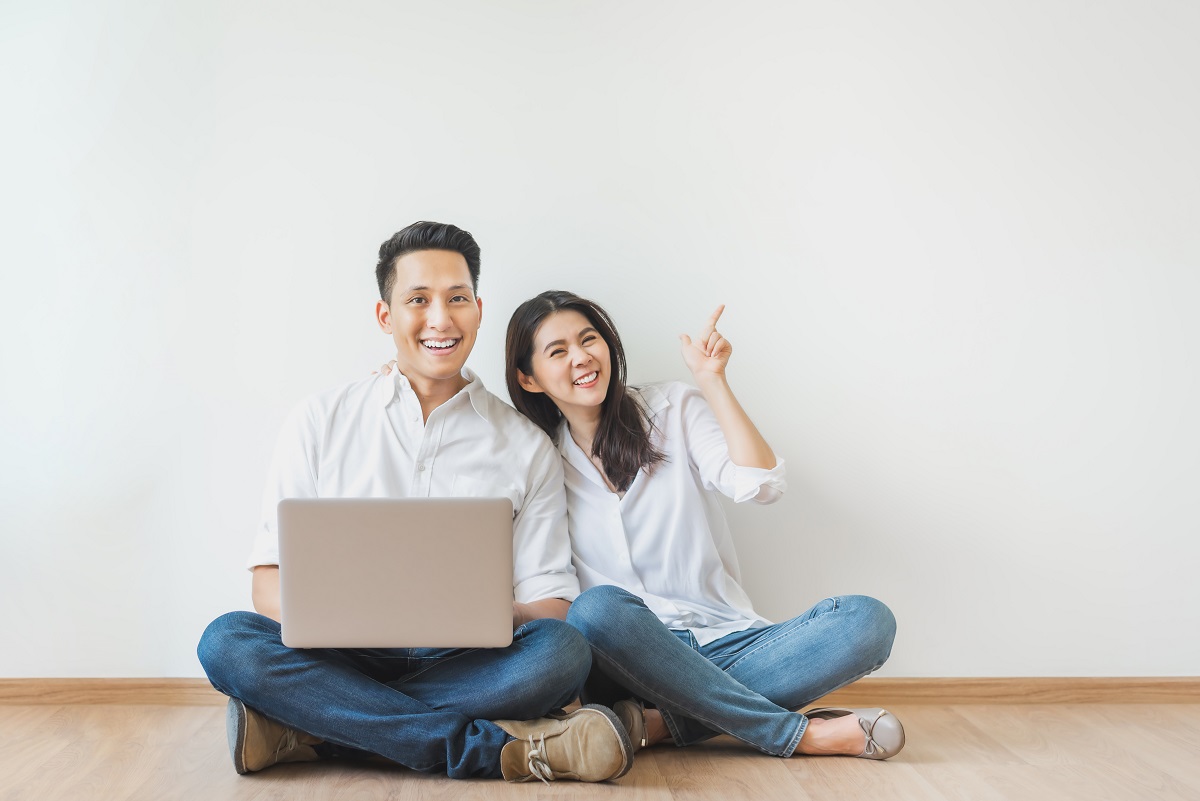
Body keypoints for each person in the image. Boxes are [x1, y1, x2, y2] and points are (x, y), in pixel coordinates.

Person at [197, 225, 634, 784]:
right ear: (386, 316)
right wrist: (337, 621)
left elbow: (552, 604)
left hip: (462, 661)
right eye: (418, 300)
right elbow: (267, 585)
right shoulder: (320, 420)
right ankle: (493, 750)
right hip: (338, 656)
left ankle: (312, 727)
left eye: (456, 299)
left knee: (563, 653)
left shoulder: (525, 445)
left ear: (478, 310)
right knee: (227, 640)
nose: (440, 319)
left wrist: (493, 614)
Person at [502, 290, 905, 761]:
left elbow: (761, 485)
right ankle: (798, 734)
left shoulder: (672, 408)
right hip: (629, 660)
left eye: (589, 339)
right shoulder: (538, 461)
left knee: (868, 621)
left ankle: (660, 726)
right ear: (528, 379)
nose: (582, 357)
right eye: (558, 351)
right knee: (595, 610)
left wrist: (713, 381)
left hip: (730, 638)